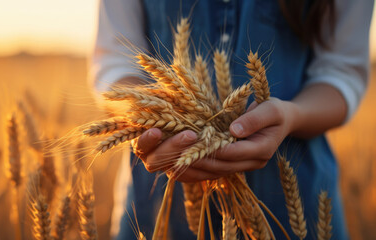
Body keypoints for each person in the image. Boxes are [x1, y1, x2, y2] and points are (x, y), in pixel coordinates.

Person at [90, 0, 373, 239]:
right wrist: (150, 116)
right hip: (156, 207)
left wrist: (292, 115)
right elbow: (114, 64)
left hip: (294, 202)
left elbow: (341, 72)